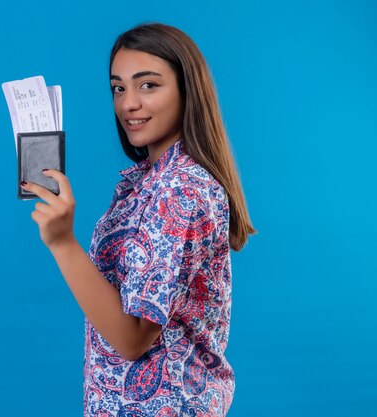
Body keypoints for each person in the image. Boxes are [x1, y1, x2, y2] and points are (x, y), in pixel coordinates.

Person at [20, 22, 255, 416]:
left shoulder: (181, 189)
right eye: (119, 87)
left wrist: (62, 242)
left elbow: (132, 339)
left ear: (186, 90)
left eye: (148, 85)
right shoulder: (149, 181)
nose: (128, 103)